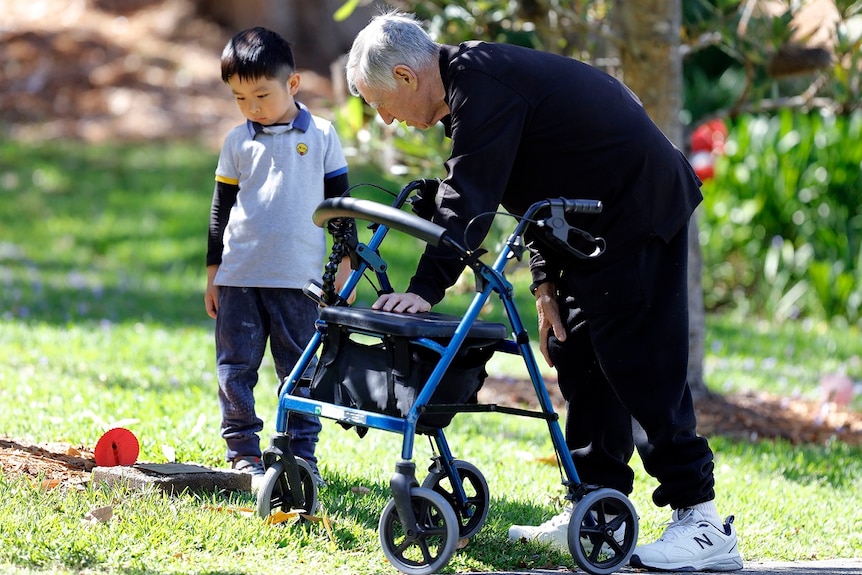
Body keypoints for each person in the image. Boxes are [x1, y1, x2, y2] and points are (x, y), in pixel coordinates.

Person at [345, 11, 742, 572]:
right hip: (584, 230)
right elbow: (524, 188)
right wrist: (544, 281)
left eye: (378, 101)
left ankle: (702, 522)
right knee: (578, 356)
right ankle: (598, 509)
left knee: (641, 364)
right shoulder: (472, 89)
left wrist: (425, 290)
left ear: (407, 77)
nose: (384, 118)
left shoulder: (483, 86)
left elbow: (470, 201)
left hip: (637, 212)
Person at [206, 27, 350, 489]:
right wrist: (213, 273)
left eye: (261, 95)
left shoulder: (324, 136)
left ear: (293, 84)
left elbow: (341, 209)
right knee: (235, 369)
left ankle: (299, 455)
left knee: (301, 371)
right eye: (239, 97)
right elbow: (219, 210)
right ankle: (243, 453)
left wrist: (344, 267)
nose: (251, 107)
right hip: (240, 278)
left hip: (301, 281)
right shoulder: (236, 142)